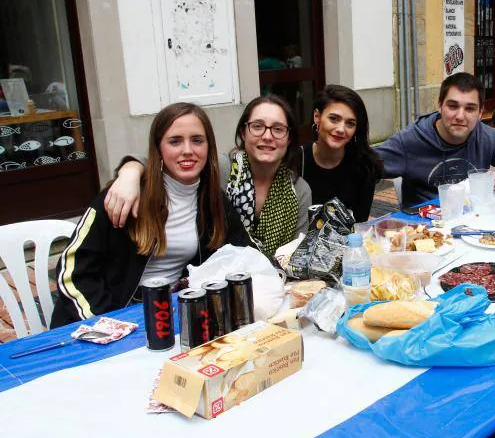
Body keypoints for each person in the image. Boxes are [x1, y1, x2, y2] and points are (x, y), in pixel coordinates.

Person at [50, 103, 257, 326]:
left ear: (209, 147)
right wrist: (109, 324)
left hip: (169, 311)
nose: (187, 150)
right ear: (158, 149)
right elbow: (71, 271)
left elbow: (247, 253)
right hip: (106, 314)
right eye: (175, 141)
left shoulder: (213, 201)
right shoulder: (125, 195)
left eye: (197, 140)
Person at [105, 95, 312, 257]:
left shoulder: (299, 190)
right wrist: (130, 171)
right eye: (257, 126)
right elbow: (171, 163)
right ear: (243, 133)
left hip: (275, 284)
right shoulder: (218, 169)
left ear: (289, 137)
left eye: (278, 129)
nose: (267, 136)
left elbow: (296, 253)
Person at [376, 72, 495, 208]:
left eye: (469, 108)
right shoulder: (410, 140)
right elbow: (364, 167)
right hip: (423, 225)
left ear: (480, 112)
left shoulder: (487, 136)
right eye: (452, 106)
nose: (460, 116)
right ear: (440, 106)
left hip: (474, 221)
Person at [301, 85, 383, 222]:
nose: (341, 129)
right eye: (334, 119)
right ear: (317, 117)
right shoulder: (296, 161)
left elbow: (359, 224)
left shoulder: (364, 166)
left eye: (350, 123)